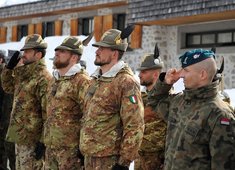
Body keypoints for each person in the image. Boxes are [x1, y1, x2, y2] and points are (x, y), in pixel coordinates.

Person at [148, 49, 235, 170]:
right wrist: (166, 83)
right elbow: (154, 102)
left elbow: (223, 165)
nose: (181, 74)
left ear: (202, 74)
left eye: (186, 70)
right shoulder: (180, 101)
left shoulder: (220, 115)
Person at [79, 27, 145, 170]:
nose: (96, 52)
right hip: (90, 156)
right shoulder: (96, 80)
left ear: (114, 53)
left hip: (110, 160)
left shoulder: (126, 82)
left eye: (102, 49)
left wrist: (124, 162)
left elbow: (135, 125)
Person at [1, 34, 52, 170]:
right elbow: (7, 87)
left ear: (38, 55)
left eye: (28, 51)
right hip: (21, 137)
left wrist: (42, 141)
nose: (24, 54)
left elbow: (48, 113)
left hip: (32, 140)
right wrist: (9, 69)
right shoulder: (24, 74)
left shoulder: (43, 78)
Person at [43, 36, 91, 170]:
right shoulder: (54, 80)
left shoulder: (82, 81)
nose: (56, 53)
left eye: (63, 51)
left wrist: (83, 149)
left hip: (71, 152)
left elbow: (89, 116)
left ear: (74, 58)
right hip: (51, 147)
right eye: (57, 51)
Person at [135, 52, 166, 170]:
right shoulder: (139, 96)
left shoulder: (167, 98)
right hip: (139, 155)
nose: (139, 75)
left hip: (157, 158)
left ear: (155, 75)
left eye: (144, 72)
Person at [0, 50, 15, 170]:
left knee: (7, 151)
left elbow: (7, 101)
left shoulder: (7, 76)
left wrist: (4, 122)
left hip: (6, 122)